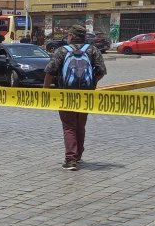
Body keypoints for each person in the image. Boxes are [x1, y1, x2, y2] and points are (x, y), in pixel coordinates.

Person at [43, 24, 107, 171]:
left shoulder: (62, 51)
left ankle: (71, 159)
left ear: (71, 36)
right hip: (86, 94)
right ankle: (77, 155)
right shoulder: (92, 50)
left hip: (66, 94)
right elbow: (101, 71)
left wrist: (45, 90)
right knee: (80, 125)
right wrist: (92, 84)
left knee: (69, 126)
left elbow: (49, 72)